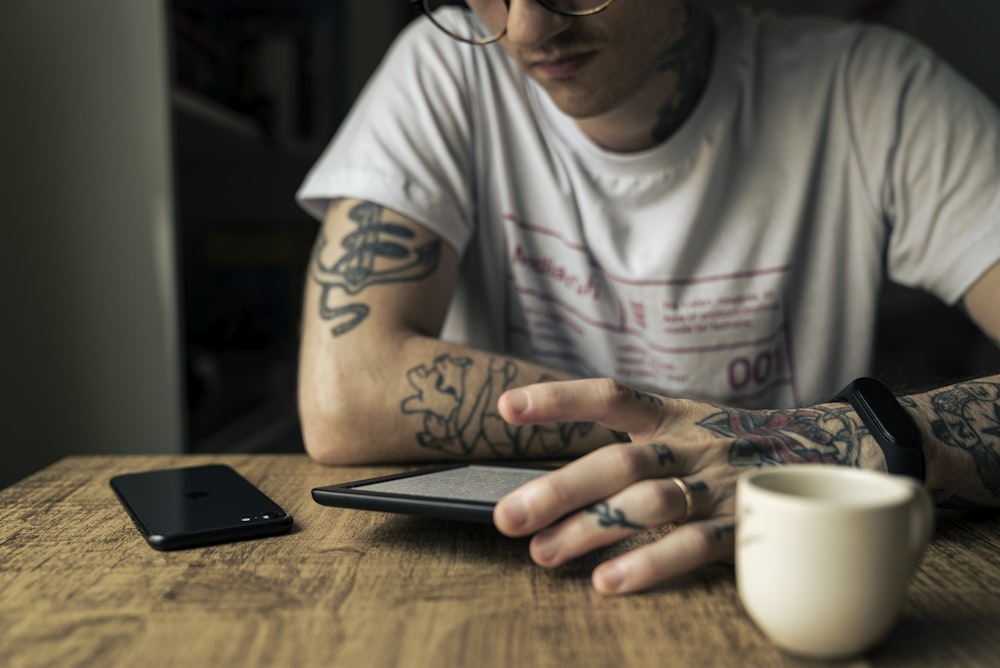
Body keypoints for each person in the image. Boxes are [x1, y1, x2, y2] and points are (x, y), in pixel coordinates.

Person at [296, 0, 1000, 594]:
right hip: (501, 570)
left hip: (791, 571)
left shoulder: (871, 89)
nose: (528, 28)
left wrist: (836, 441)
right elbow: (346, 394)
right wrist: (709, 434)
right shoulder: (445, 71)